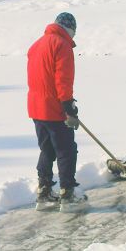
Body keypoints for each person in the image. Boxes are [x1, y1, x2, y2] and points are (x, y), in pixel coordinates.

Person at [27, 12, 86, 208]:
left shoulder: (36, 45)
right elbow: (63, 80)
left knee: (47, 149)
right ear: (70, 29)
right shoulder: (62, 45)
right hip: (54, 109)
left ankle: (43, 192)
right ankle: (68, 195)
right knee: (66, 150)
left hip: (36, 108)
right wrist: (69, 107)